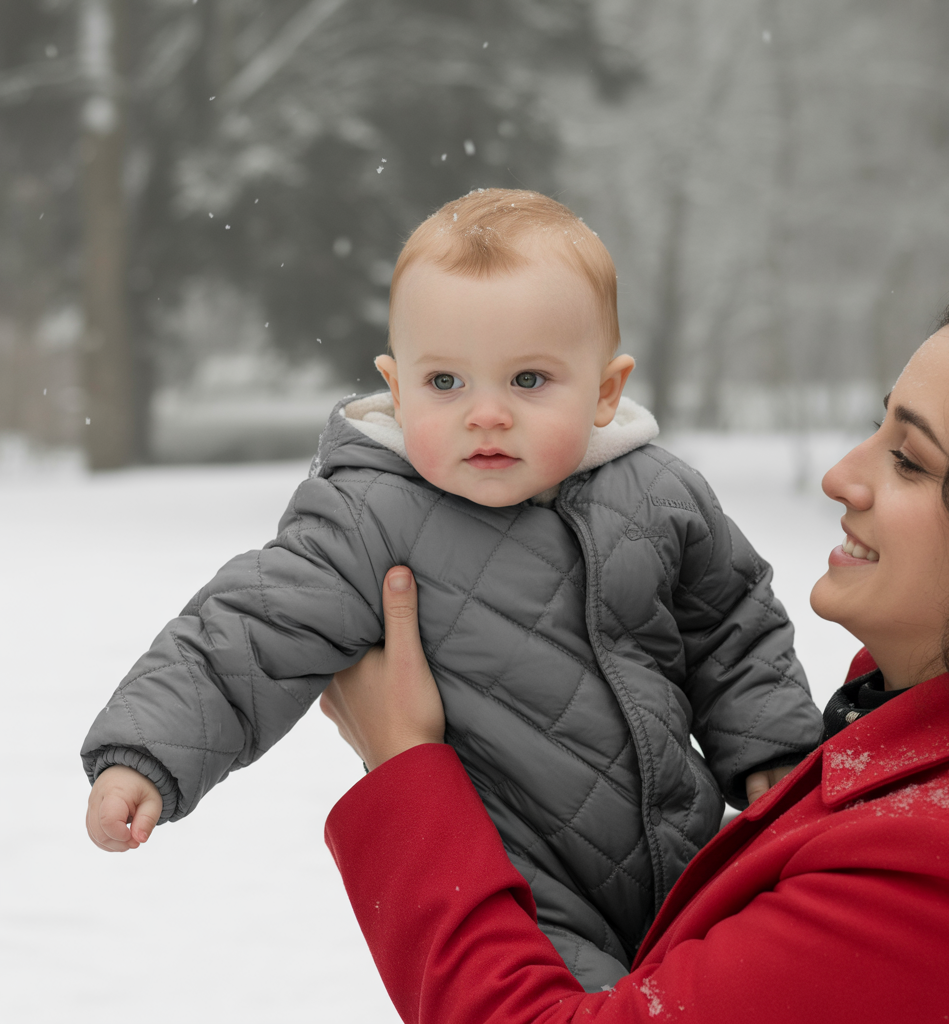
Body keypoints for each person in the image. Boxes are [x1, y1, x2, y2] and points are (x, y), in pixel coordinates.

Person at [80, 189, 821, 990]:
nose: (487, 415)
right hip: (517, 884)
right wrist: (146, 755)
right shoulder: (368, 515)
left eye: (529, 379)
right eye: (446, 383)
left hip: (690, 863)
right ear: (396, 390)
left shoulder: (661, 496)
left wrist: (773, 750)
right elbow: (247, 632)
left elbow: (735, 626)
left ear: (606, 391)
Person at [321, 271, 949, 1022]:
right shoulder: (910, 756)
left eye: (910, 459)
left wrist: (404, 765)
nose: (840, 476)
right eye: (878, 427)